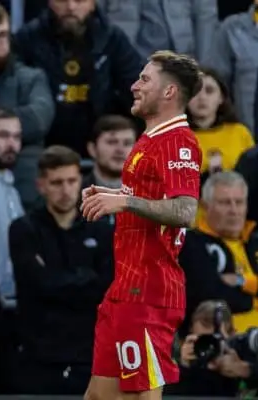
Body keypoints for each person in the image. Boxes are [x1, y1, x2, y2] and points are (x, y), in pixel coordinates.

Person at [81, 50, 204, 400]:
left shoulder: (177, 141)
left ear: (169, 92)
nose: (134, 86)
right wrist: (118, 194)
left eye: (145, 79)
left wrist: (124, 201)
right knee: (98, 396)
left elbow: (185, 211)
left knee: (140, 397)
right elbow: (152, 197)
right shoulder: (150, 139)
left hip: (149, 292)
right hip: (125, 289)